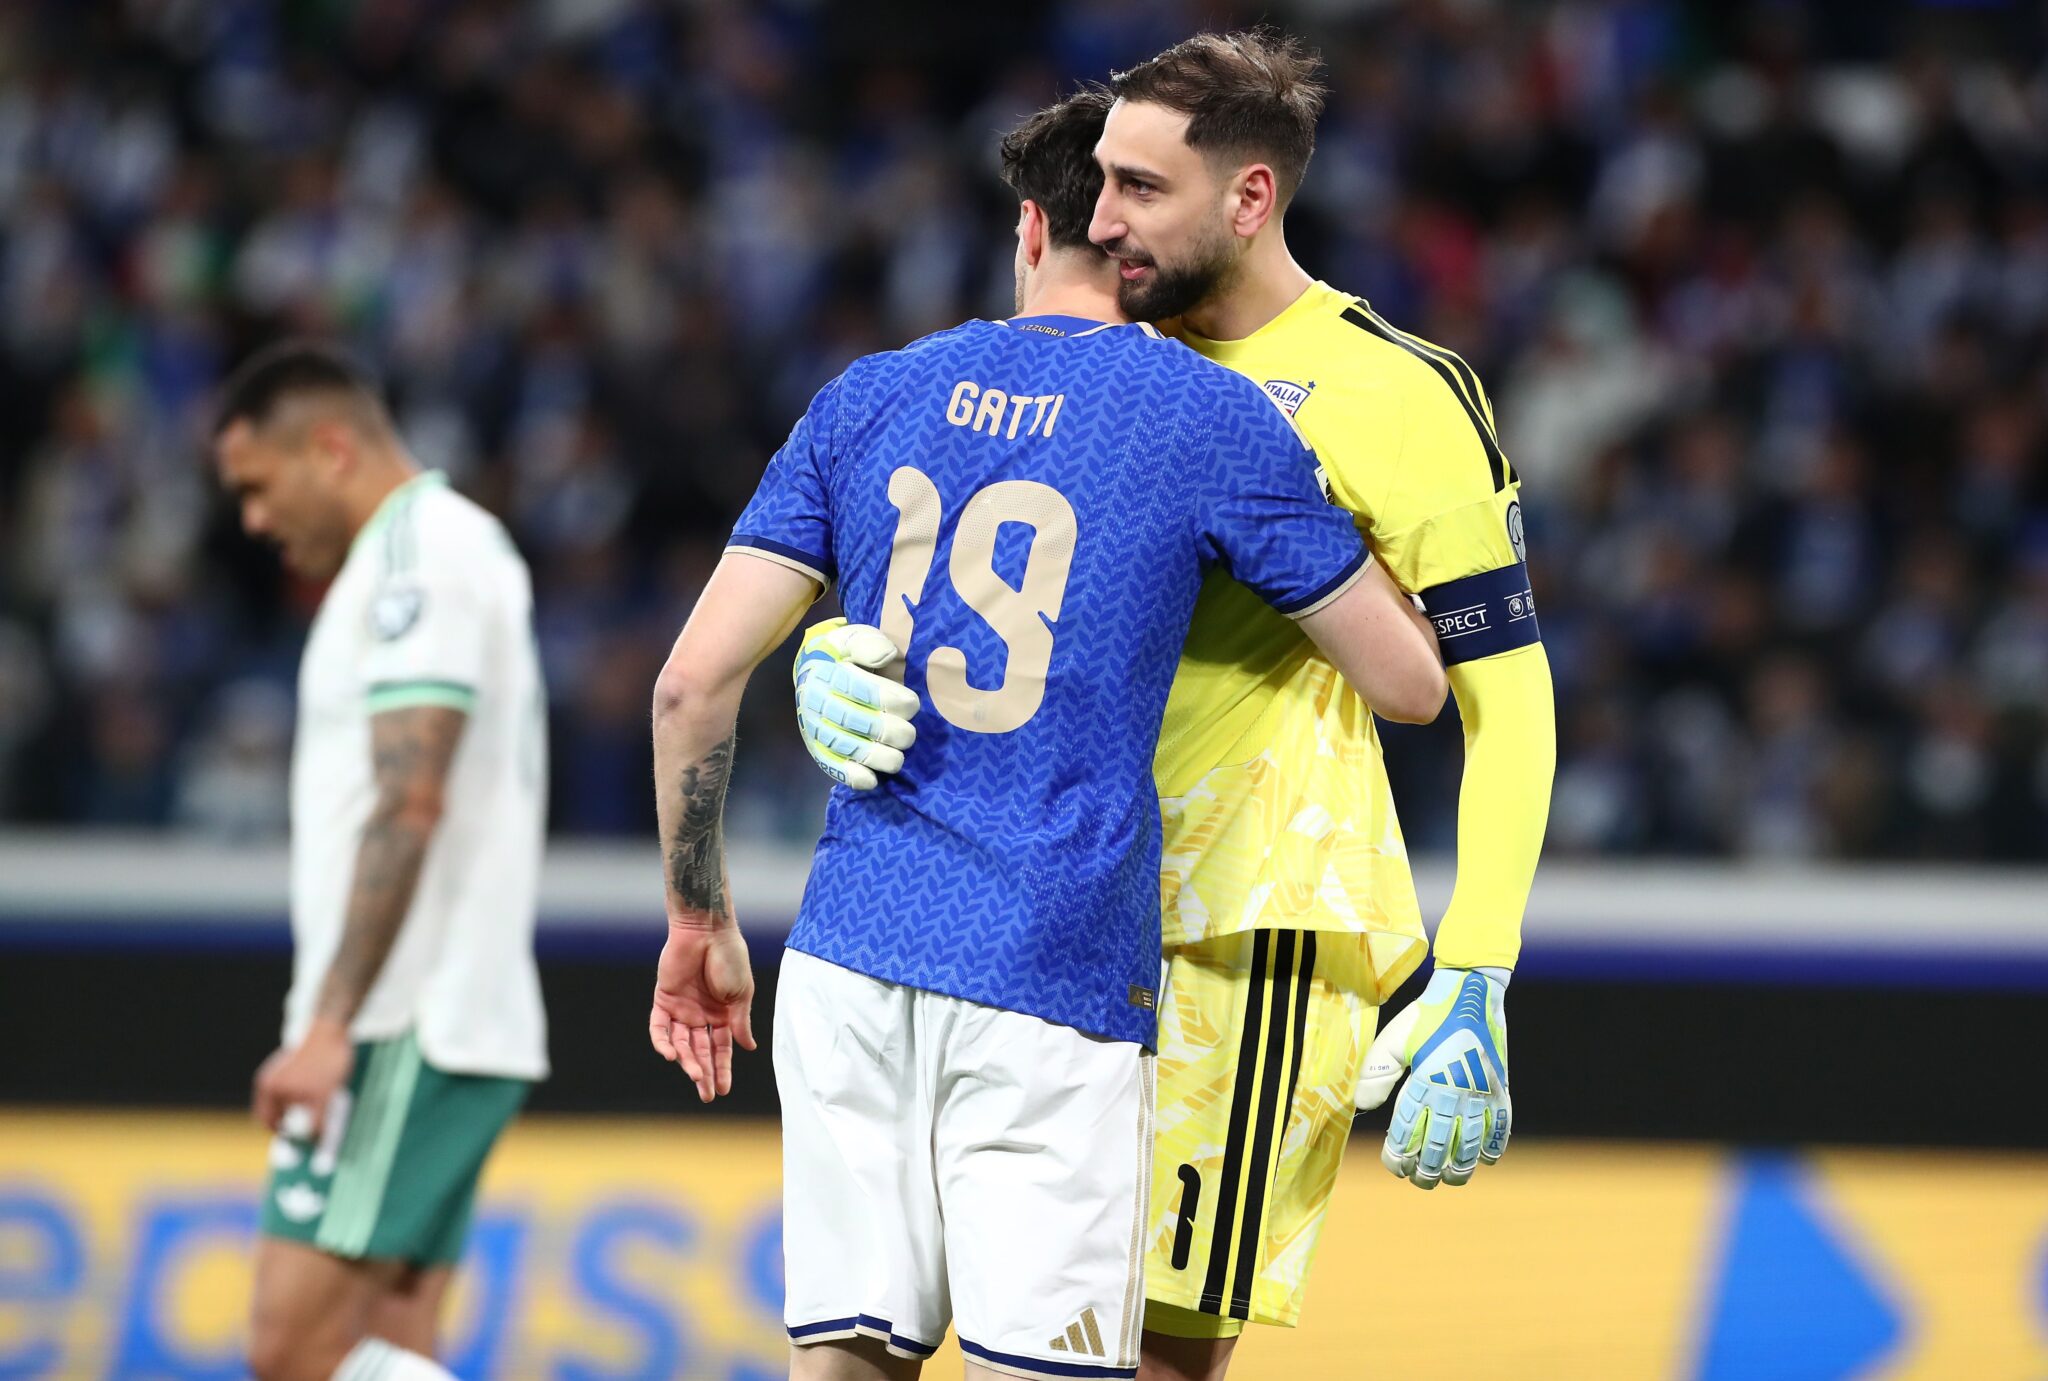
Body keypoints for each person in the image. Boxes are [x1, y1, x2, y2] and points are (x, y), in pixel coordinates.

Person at [645, 90, 1445, 1381]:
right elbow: (1410, 684)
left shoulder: (868, 396)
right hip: (1051, 968)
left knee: (842, 1365)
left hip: (849, 954)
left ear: (1028, 226)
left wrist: (698, 918)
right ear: (1143, 241)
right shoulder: (1207, 417)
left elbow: (689, 686)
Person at [793, 29, 1557, 1381]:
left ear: (1250, 197)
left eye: (1141, 188)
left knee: (1134, 1361)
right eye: (1098, 182)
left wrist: (1477, 969)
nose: (1101, 219)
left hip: (1234, 933)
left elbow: (1507, 698)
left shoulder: (1398, 394)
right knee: (893, 1346)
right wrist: (832, 652)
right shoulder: (1091, 358)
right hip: (1027, 921)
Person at [212, 342, 549, 1381]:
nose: (252, 520)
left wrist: (329, 1027)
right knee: (392, 1344)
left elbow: (411, 798)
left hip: (402, 1020)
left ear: (330, 449)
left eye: (258, 486)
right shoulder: (435, 552)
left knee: (294, 1351)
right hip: (435, 1014)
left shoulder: (418, 557)